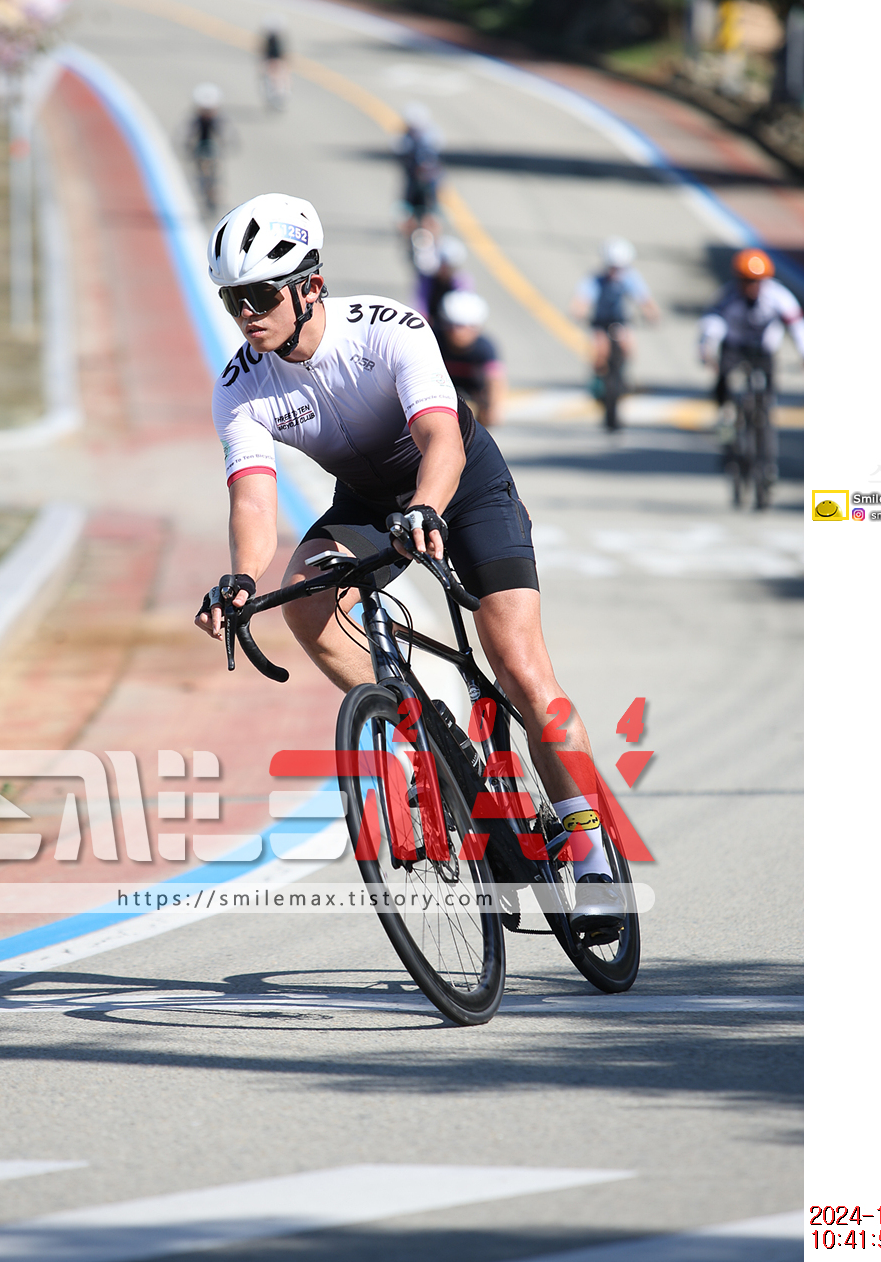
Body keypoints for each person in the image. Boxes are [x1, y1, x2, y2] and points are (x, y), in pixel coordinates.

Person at [195, 192, 622, 929]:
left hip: (463, 485)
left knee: (521, 670)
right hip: (369, 501)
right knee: (304, 597)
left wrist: (426, 507)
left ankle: (591, 858)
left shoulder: (389, 329)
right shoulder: (241, 386)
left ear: (310, 286)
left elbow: (441, 440)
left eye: (260, 296)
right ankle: (419, 733)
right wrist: (240, 579)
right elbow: (255, 503)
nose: (246, 314)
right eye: (234, 299)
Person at [698, 249, 804, 482]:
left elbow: (796, 325)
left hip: (764, 352)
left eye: (757, 281)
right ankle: (726, 429)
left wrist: (804, 353)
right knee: (723, 386)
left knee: (766, 402)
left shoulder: (778, 296)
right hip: (734, 348)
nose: (752, 286)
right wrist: (707, 350)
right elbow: (711, 323)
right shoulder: (727, 296)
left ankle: (767, 460)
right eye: (746, 280)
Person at [569, 237, 661, 385]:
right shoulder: (596, 279)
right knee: (600, 351)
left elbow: (645, 299)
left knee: (628, 346)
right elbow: (582, 299)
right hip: (600, 322)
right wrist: (579, 311)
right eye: (613, 267)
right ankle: (598, 380)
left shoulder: (630, 277)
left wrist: (652, 314)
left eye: (619, 268)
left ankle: (622, 376)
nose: (615, 271)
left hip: (620, 321)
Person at [437, 290, 507, 427]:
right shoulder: (433, 340)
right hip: (440, 385)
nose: (459, 333)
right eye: (453, 326)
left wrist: (493, 409)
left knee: (487, 412)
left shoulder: (485, 347)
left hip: (473, 388)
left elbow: (496, 380)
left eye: (467, 327)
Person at [395, 103, 442, 241]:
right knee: (408, 213)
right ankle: (410, 238)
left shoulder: (429, 138)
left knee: (430, 214)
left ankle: (432, 239)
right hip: (415, 182)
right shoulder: (407, 139)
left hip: (427, 184)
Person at [186, 84, 227, 215]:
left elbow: (227, 134)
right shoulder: (196, 120)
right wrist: (188, 146)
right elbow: (188, 134)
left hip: (213, 151)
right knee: (202, 172)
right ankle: (205, 189)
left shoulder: (218, 120)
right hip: (200, 150)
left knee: (217, 173)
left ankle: (216, 195)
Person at [258, 22, 289, 110]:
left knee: (277, 80)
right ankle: (276, 96)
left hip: (274, 62)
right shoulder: (272, 41)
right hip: (272, 62)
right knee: (274, 80)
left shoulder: (274, 40)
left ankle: (278, 96)